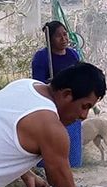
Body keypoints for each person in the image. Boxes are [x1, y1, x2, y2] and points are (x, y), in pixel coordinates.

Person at [31, 21, 83, 168]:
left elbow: (80, 77)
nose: (64, 39)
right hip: (51, 106)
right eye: (58, 36)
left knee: (70, 144)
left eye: (65, 34)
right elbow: (38, 83)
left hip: (72, 106)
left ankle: (70, 176)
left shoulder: (73, 55)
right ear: (49, 39)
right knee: (51, 145)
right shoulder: (42, 57)